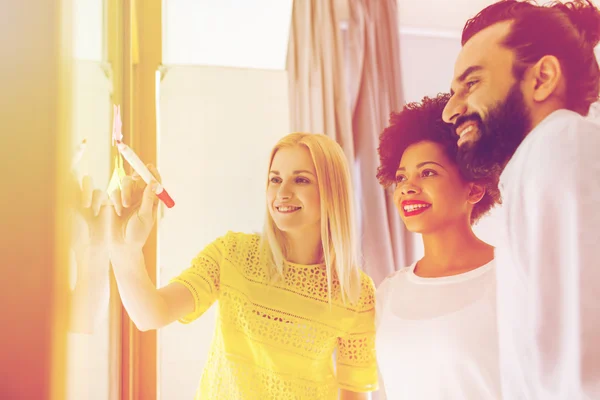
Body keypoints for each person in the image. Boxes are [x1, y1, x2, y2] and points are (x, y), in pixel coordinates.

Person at [107, 133, 378, 399]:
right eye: (275, 179)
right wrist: (124, 249)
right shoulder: (232, 254)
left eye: (301, 180)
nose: (282, 192)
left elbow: (354, 393)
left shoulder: (355, 292)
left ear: (333, 192)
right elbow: (150, 315)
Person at [442, 1, 600, 397]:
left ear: (542, 78)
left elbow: (585, 371)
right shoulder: (539, 166)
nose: (450, 110)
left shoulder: (563, 148)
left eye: (471, 83)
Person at [375, 93, 502, 399]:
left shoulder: (513, 277)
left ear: (473, 189)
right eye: (401, 177)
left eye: (428, 172)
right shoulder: (388, 293)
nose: (407, 187)